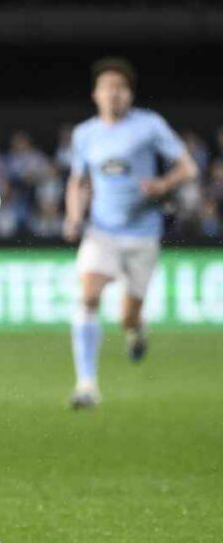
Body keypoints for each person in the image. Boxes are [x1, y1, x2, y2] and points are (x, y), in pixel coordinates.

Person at [62, 57, 198, 409]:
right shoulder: (84, 134)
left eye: (120, 89)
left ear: (130, 95)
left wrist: (163, 184)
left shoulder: (149, 126)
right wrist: (74, 216)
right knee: (88, 296)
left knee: (127, 315)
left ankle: (136, 328)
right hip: (102, 231)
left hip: (143, 234)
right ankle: (87, 385)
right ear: (96, 94)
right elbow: (78, 181)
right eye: (107, 88)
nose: (114, 94)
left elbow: (188, 167)